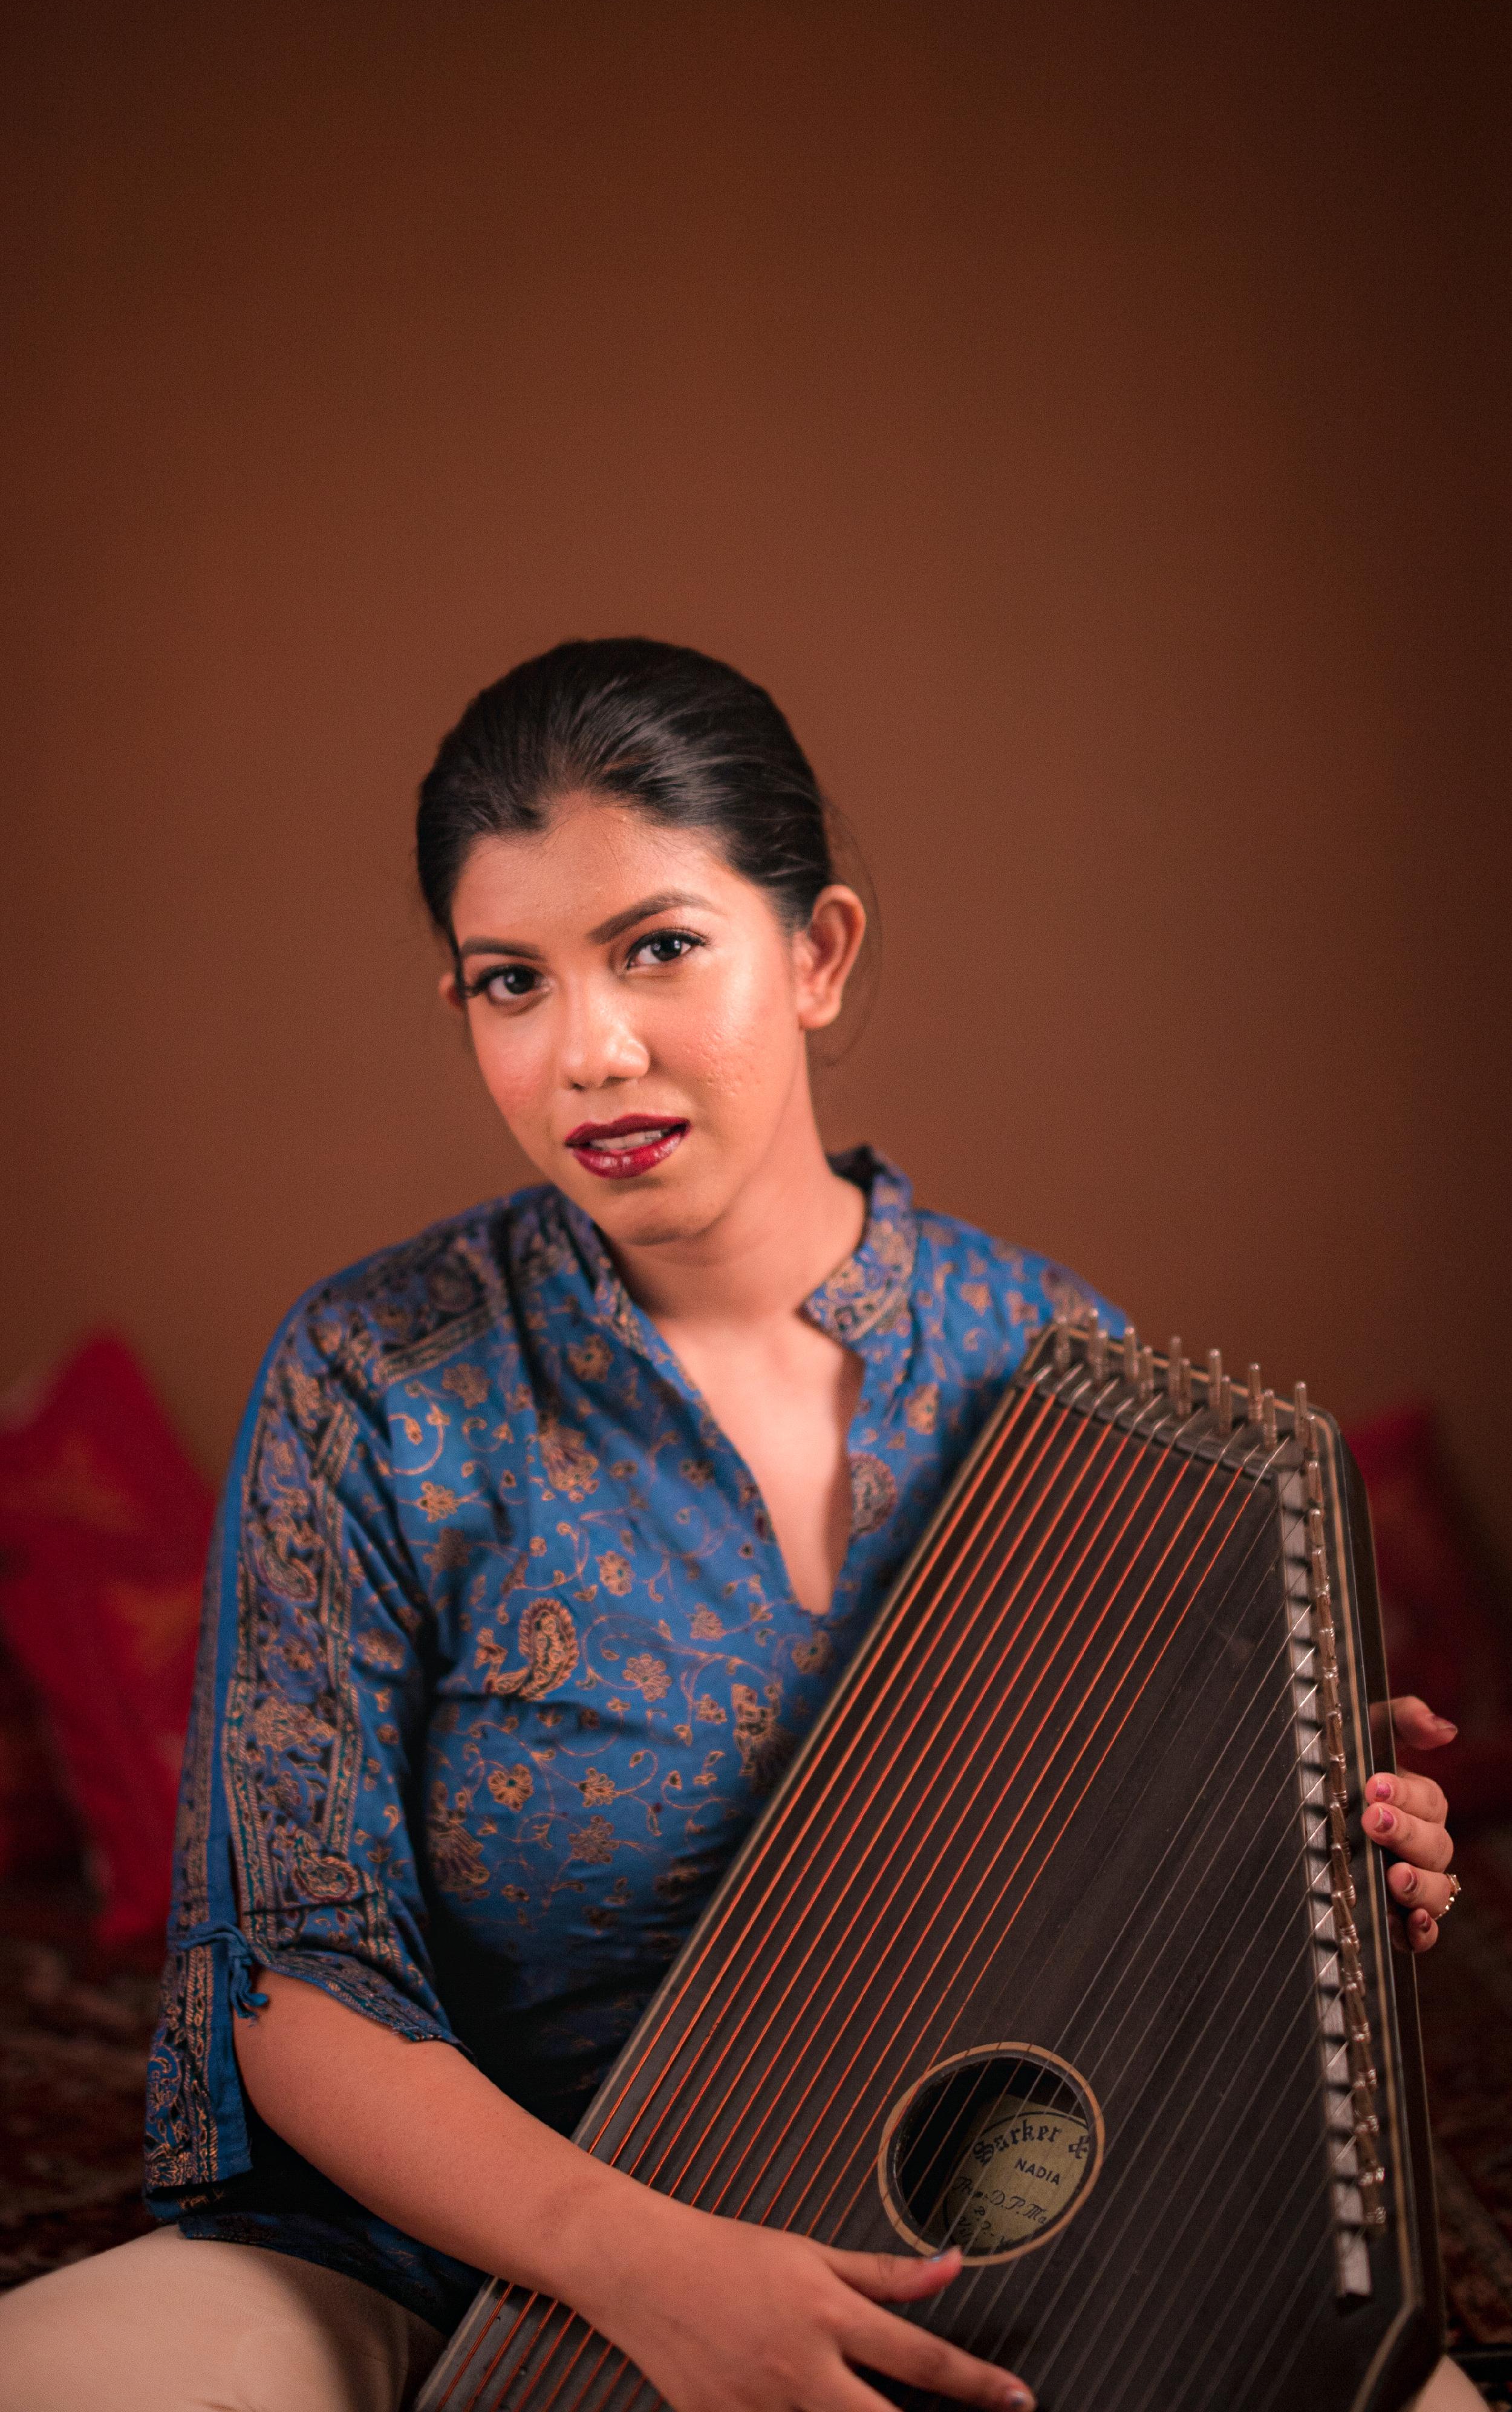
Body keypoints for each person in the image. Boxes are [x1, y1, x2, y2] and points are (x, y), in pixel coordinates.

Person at [0, 641, 1474, 2412]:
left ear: (818, 953)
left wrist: (1312, 1876)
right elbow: (294, 1978)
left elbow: (1129, 1943)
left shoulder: (1052, 1366)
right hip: (469, 2262)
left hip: (957, 2258)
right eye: (507, 982)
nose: (588, 1051)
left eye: (658, 948)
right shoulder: (375, 1380)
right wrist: (647, 2268)